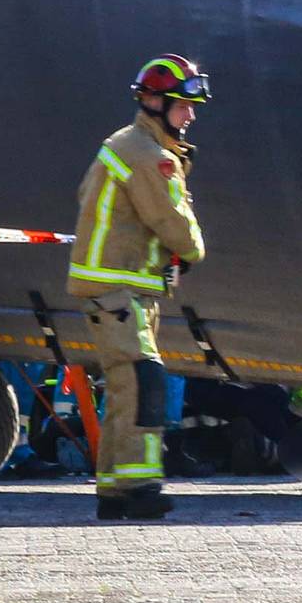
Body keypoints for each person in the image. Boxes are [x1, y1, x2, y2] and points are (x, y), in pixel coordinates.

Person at [66, 53, 208, 520]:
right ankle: (140, 486)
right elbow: (172, 223)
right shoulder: (147, 156)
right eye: (182, 106)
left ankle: (113, 490)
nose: (189, 116)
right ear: (153, 102)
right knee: (143, 381)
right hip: (116, 291)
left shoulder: (132, 146)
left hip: (124, 290)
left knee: (127, 386)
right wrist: (191, 252)